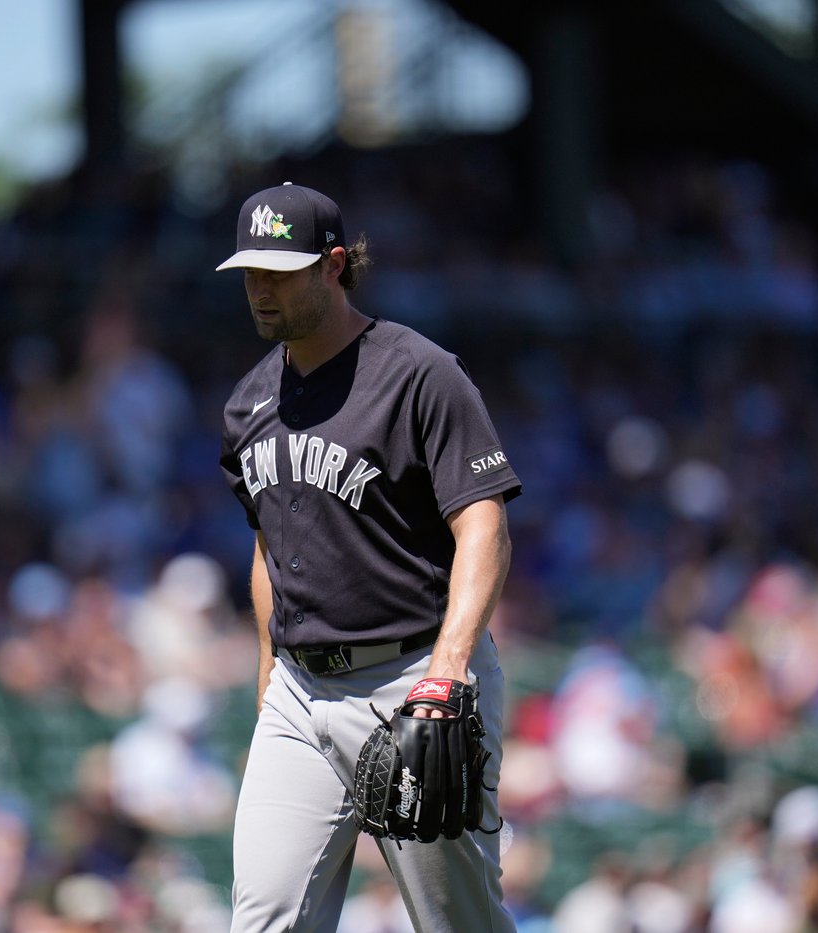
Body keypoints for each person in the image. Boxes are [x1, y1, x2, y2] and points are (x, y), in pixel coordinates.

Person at [216, 182, 522, 931]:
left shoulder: (418, 373)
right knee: (263, 920)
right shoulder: (248, 403)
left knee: (459, 923)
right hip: (299, 690)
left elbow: (484, 525)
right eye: (250, 272)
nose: (260, 289)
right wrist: (268, 673)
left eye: (279, 273)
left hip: (413, 675)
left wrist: (448, 670)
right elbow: (272, 542)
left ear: (332, 265)